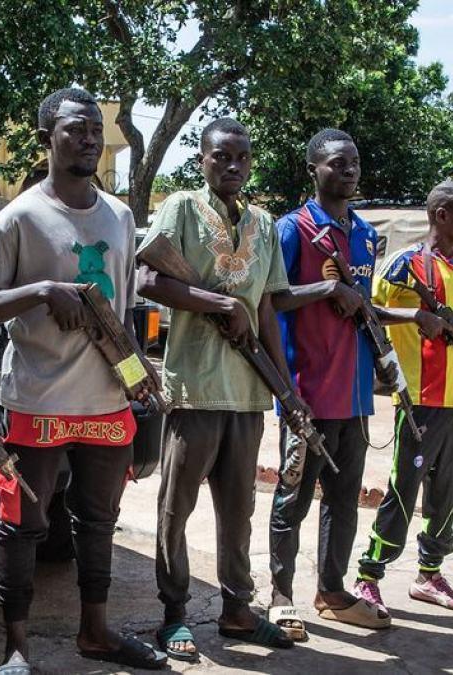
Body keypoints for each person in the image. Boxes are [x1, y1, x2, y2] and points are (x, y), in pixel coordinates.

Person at [0, 87, 166, 673]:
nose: (89, 139)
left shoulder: (121, 217)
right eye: (76, 129)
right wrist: (43, 290)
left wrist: (137, 369)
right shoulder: (20, 217)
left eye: (95, 130)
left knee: (98, 523)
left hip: (105, 403)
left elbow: (122, 311)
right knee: (21, 525)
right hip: (37, 400)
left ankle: (95, 632)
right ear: (46, 137)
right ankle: (16, 650)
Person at [138, 118, 305, 659]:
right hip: (194, 388)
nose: (232, 166)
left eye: (241, 158)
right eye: (220, 157)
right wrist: (218, 304)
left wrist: (286, 389)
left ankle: (237, 609)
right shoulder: (182, 208)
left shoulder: (264, 222)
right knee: (176, 508)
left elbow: (264, 308)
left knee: (238, 512)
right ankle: (175, 614)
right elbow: (149, 278)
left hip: (247, 392)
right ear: (202, 161)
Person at [268, 129, 442, 635]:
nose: (349, 172)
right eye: (337, 164)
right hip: (305, 395)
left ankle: (332, 590)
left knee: (342, 502)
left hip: (354, 396)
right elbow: (272, 298)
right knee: (292, 501)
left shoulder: (365, 234)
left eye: (354, 164)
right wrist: (326, 287)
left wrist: (410, 318)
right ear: (313, 170)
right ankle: (281, 596)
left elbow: (361, 306)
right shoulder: (292, 229)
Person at [354, 181, 453, 612]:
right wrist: (415, 314)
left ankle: (429, 574)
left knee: (446, 494)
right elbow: (368, 310)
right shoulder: (407, 264)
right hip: (419, 403)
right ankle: (369, 575)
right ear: (442, 216)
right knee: (402, 491)